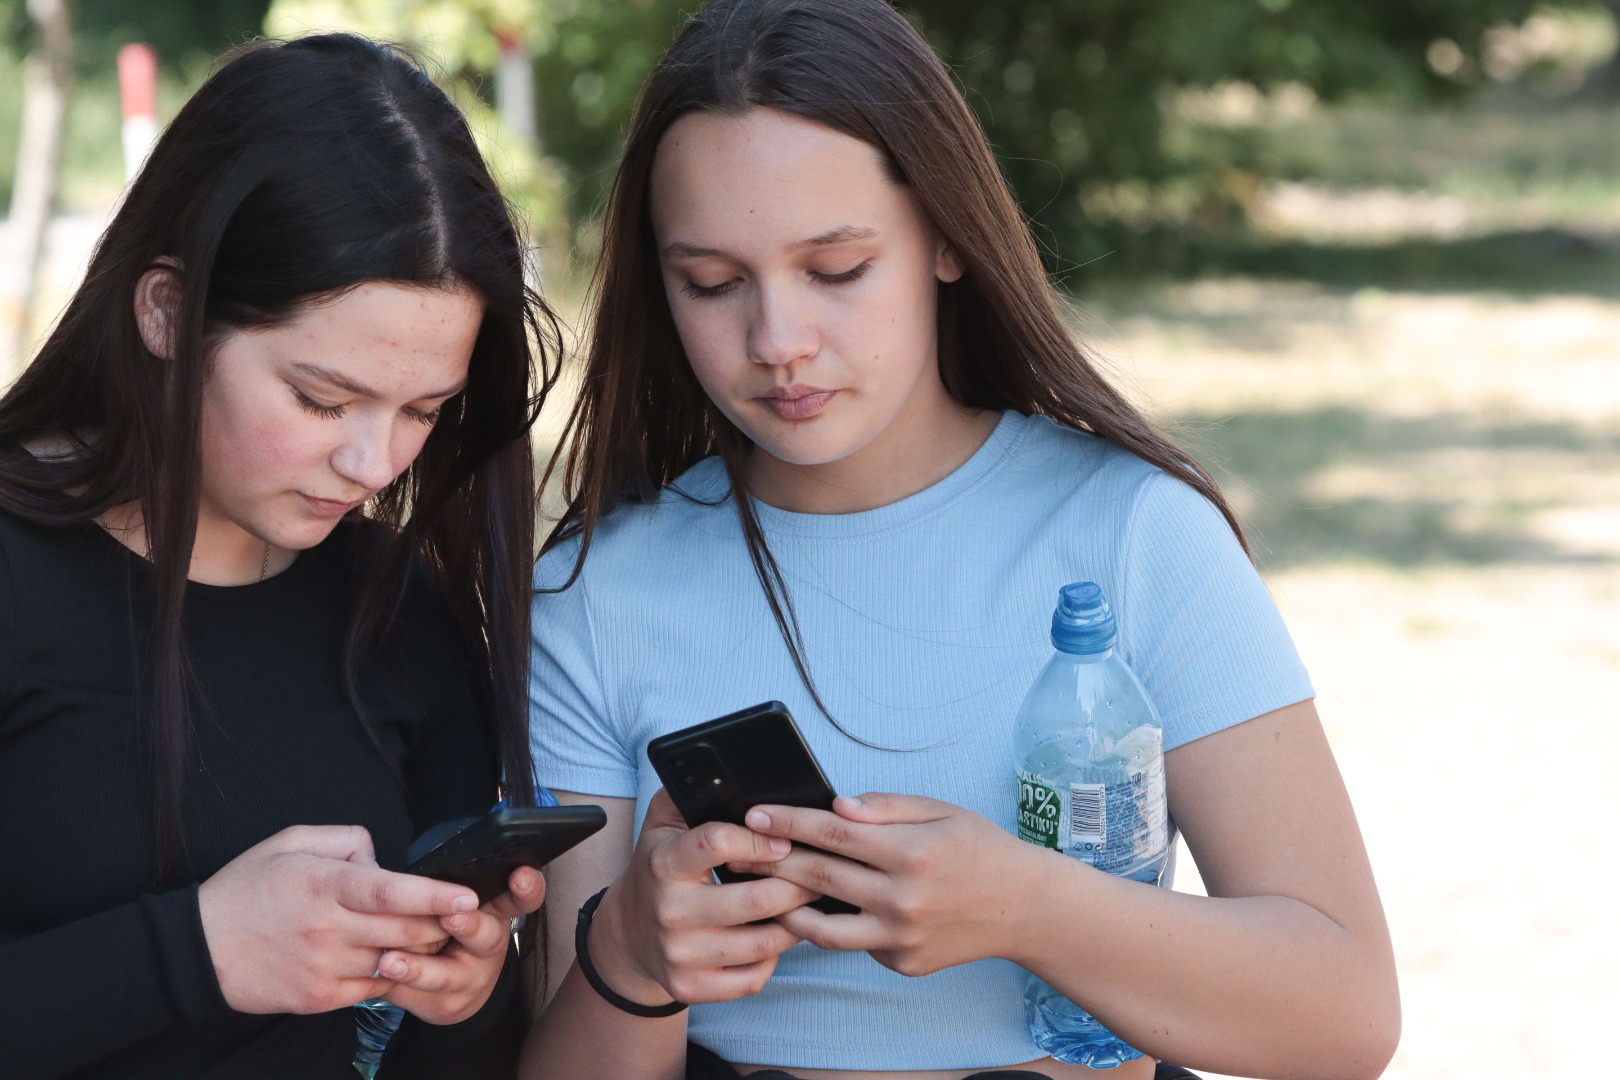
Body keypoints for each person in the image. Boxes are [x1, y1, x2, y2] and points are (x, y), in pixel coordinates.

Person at [523, 1, 1400, 1078]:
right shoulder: (593, 591)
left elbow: (1346, 1016)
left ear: (945, 236)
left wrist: (1029, 909)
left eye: (837, 269)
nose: (778, 342)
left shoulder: (1133, 535)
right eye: (711, 283)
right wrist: (631, 958)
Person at [0, 33, 560, 1079]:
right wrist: (202, 951)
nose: (372, 459)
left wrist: (456, 995)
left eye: (423, 410)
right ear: (167, 310)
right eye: (321, 396)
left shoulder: (399, 607)